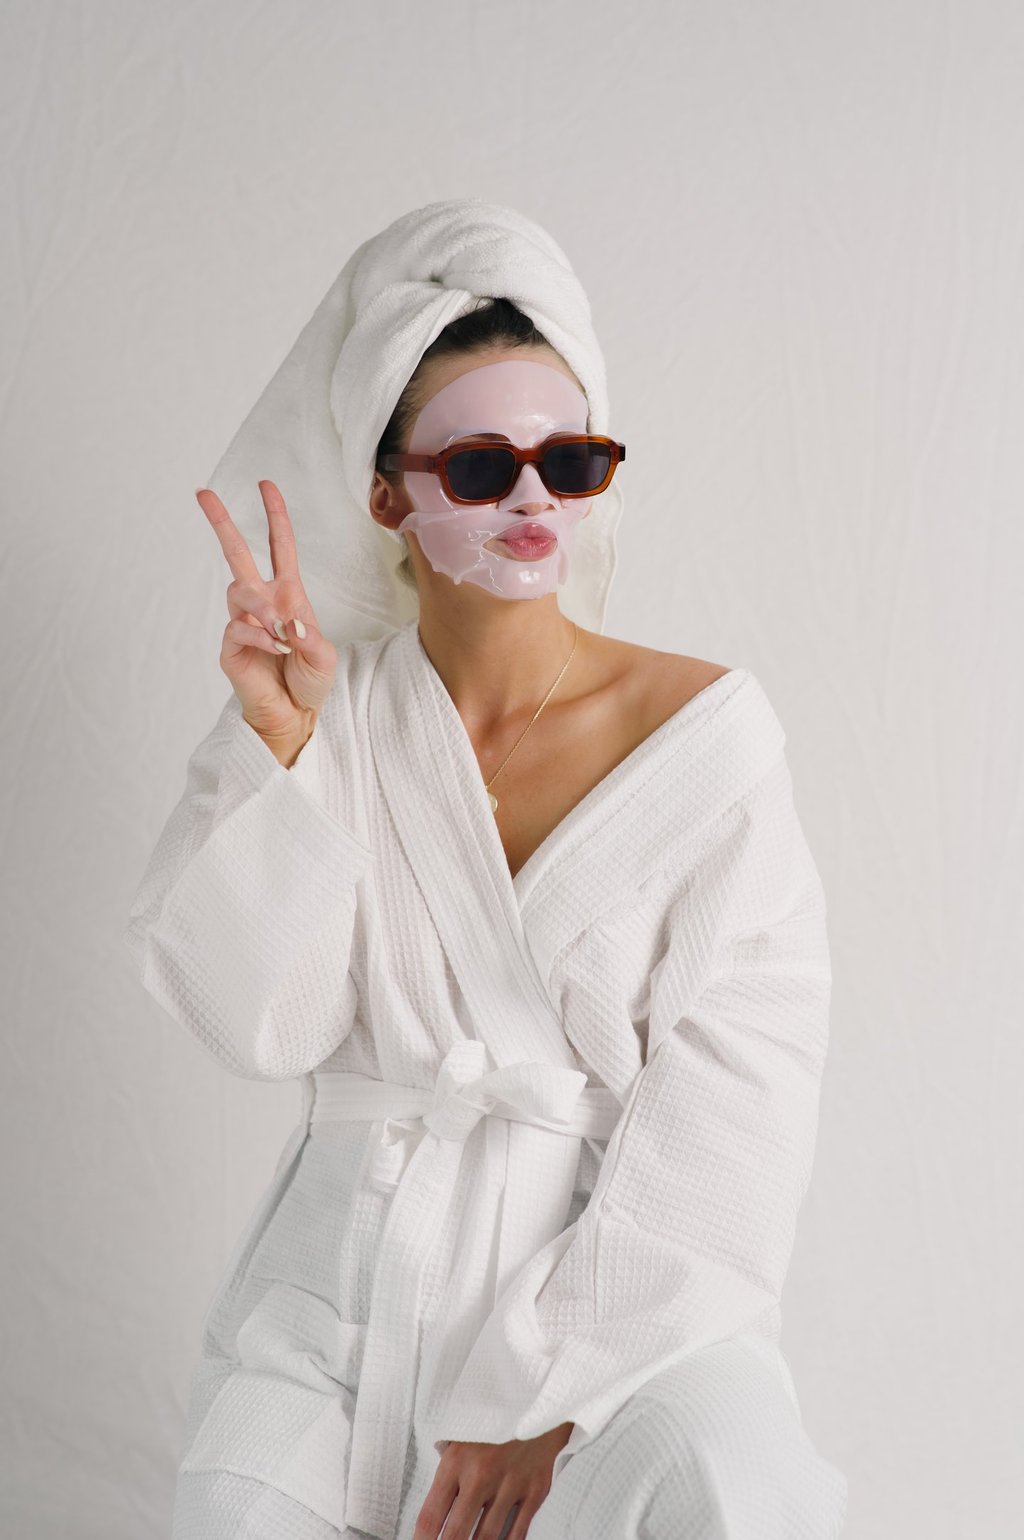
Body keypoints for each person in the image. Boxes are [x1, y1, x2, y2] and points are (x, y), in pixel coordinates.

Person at [125, 202, 848, 1540]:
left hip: (619, 1300)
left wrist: (549, 1382)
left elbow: (740, 1104)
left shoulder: (707, 742)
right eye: (479, 468)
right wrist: (278, 748)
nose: (530, 500)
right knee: (233, 1508)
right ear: (389, 493)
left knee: (723, 1478)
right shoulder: (329, 724)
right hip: (343, 1305)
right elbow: (259, 1021)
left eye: (570, 462)